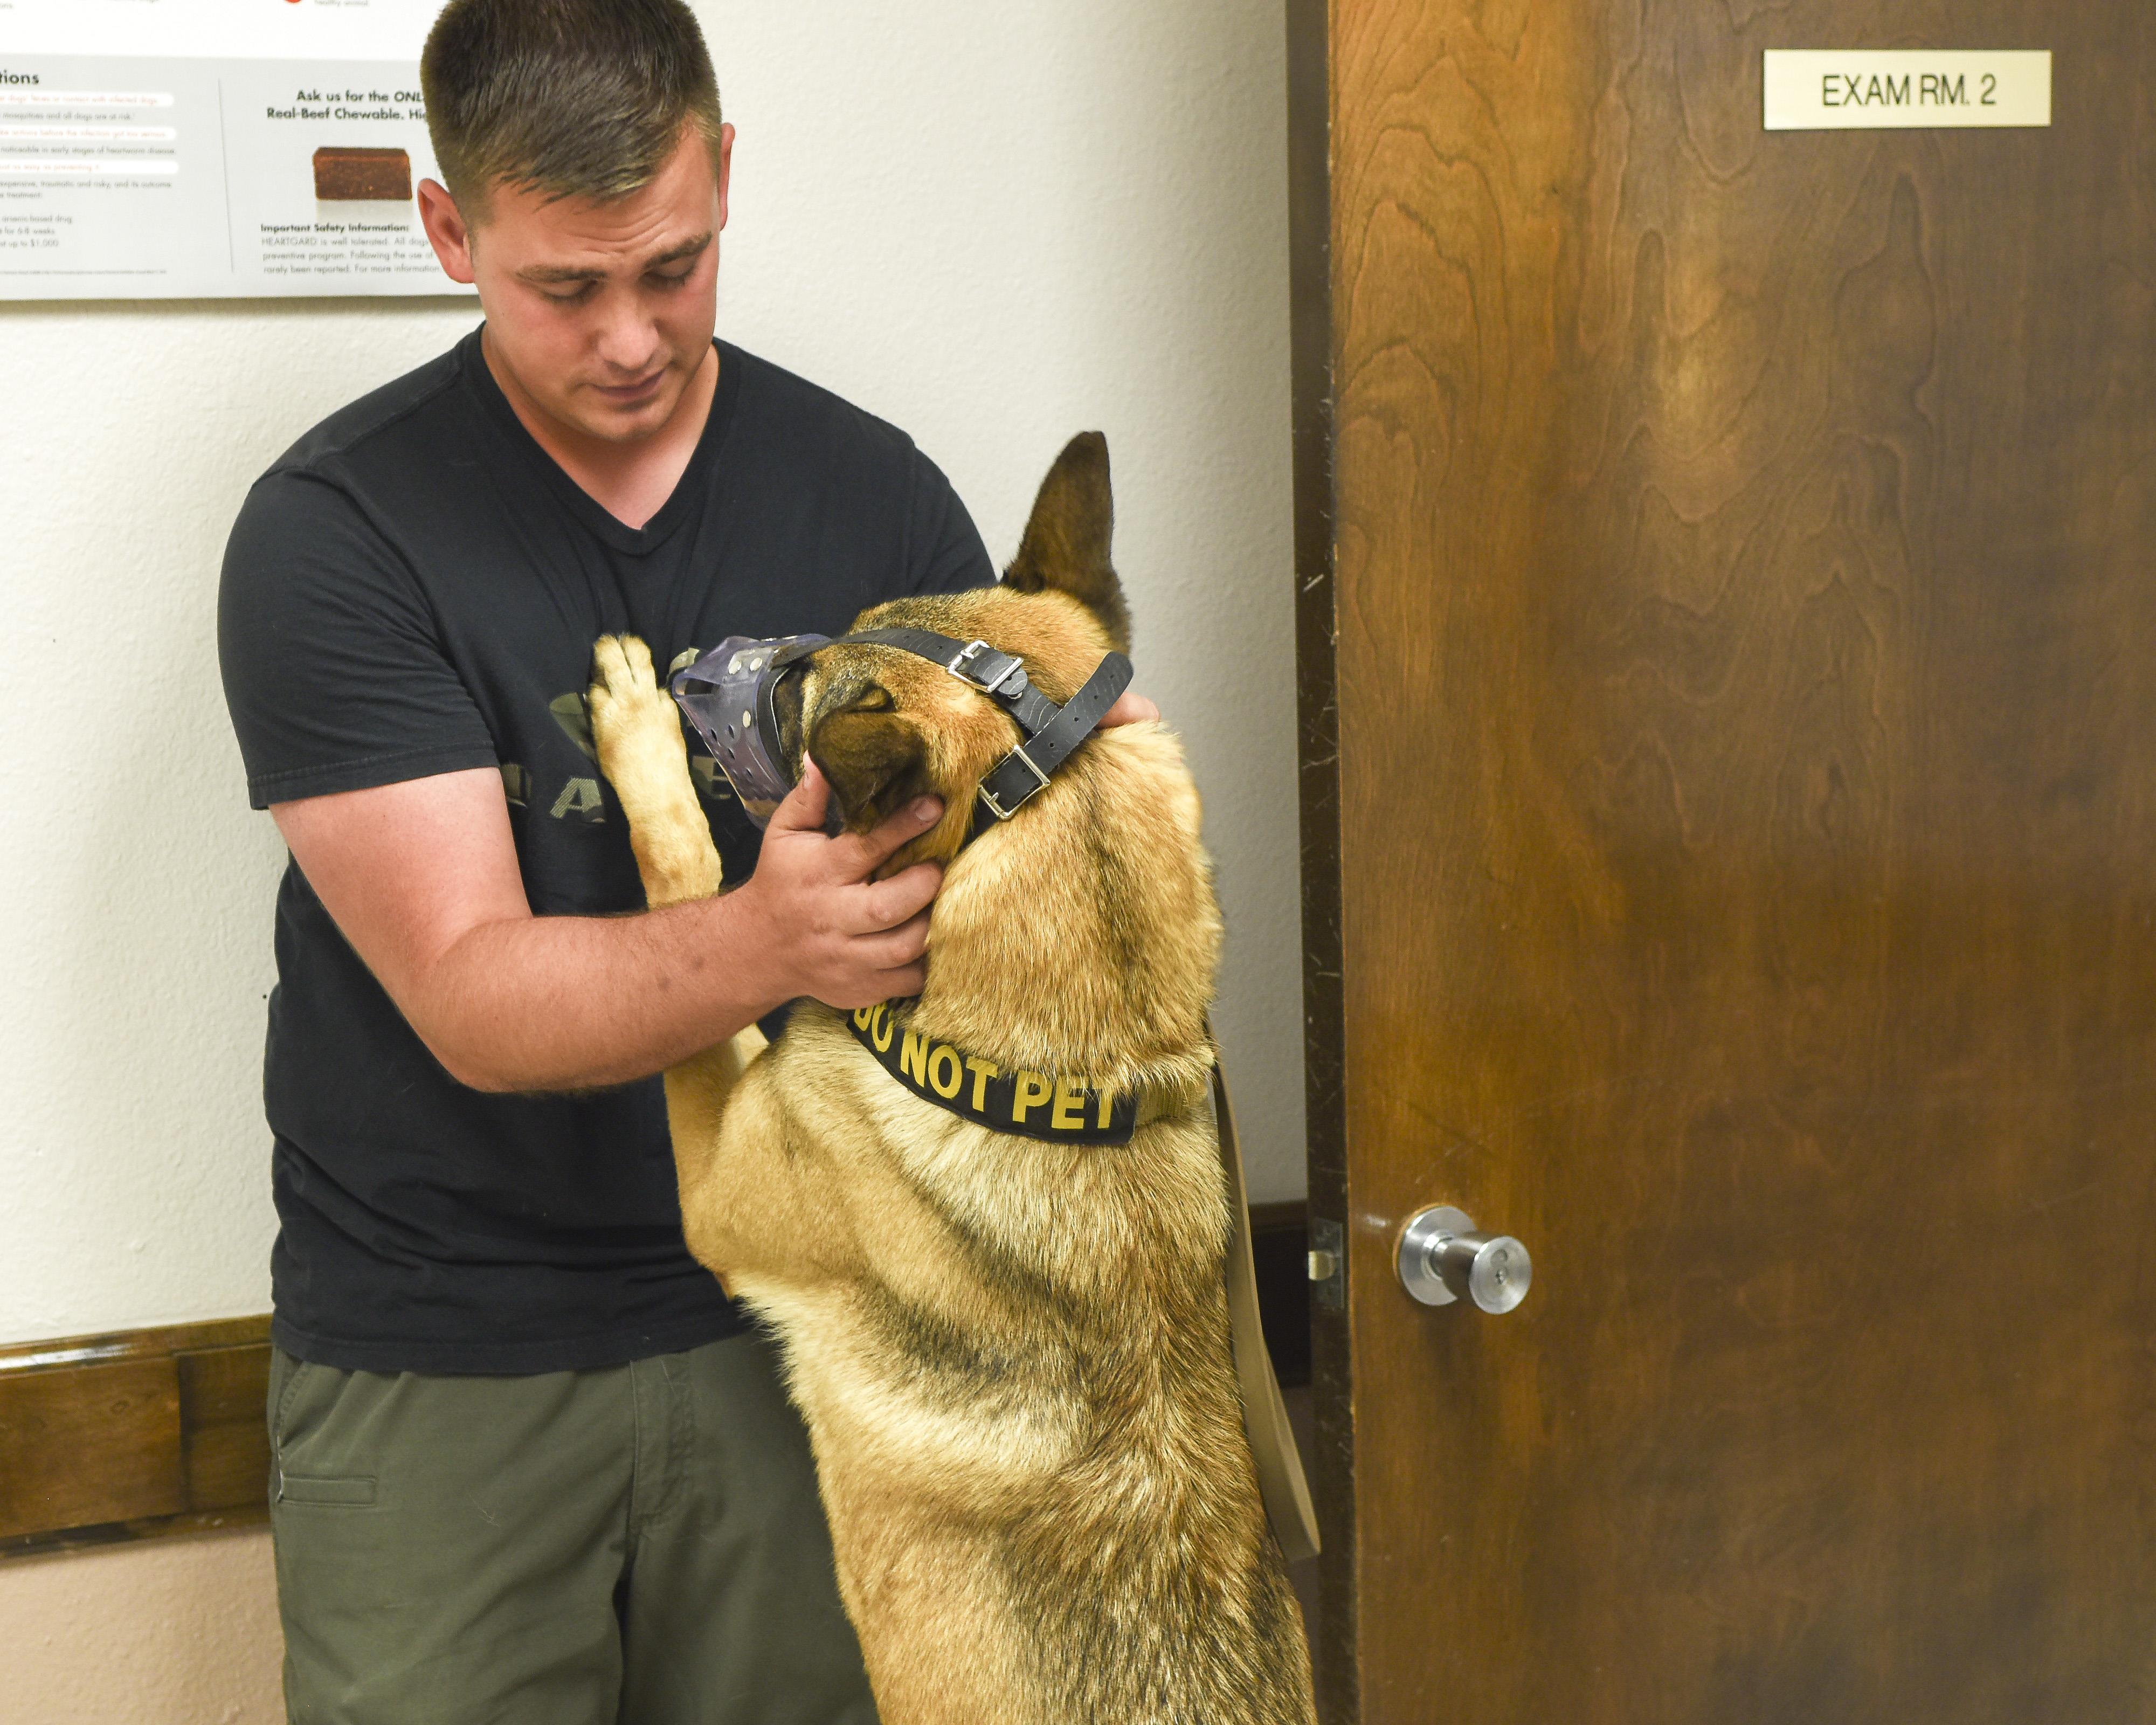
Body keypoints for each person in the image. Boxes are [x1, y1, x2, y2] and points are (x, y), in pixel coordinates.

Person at [217, 2, 1152, 1719]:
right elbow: (472, 1001)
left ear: (723, 176)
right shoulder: (339, 534)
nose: (633, 337)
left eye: (675, 264)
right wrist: (773, 942)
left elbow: (1027, 911)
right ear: (451, 234)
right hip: (453, 1347)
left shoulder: (875, 498)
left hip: (813, 1323)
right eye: (566, 290)